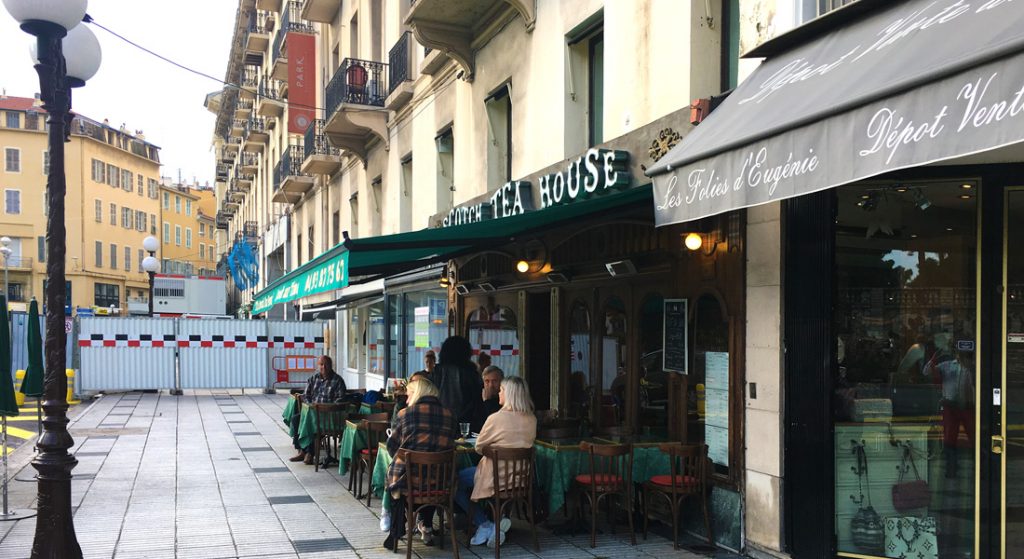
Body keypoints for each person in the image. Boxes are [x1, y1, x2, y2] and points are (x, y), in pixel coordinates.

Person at [455, 376, 537, 547]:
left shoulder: (496, 419)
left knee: (453, 482)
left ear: (509, 394)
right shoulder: (532, 419)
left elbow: (479, 447)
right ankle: (496, 524)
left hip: (494, 477)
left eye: (501, 390)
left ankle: (485, 524)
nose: (498, 392)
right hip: (520, 479)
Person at [383, 377, 457, 550]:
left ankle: (396, 531)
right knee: (428, 479)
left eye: (409, 395)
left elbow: (391, 445)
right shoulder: (451, 414)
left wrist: (406, 459)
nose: (407, 400)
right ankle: (426, 523)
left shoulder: (405, 414)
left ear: (417, 394)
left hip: (409, 482)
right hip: (441, 482)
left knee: (396, 475)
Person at [925, 344, 975, 478]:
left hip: (968, 406)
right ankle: (951, 469)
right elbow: (927, 372)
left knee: (974, 438)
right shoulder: (947, 365)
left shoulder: (973, 367)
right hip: (950, 406)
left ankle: (980, 468)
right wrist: (934, 360)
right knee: (949, 439)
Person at [289, 356, 347, 465]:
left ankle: (310, 454)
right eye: (321, 364)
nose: (323, 367)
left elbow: (341, 399)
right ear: (318, 366)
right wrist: (311, 404)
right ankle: (302, 450)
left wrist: (326, 407)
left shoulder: (338, 380)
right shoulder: (313, 378)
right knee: (296, 419)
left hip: (330, 416)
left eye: (326, 364)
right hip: (313, 412)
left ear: (331, 366)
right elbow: (306, 395)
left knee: (312, 424)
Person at [433, 335, 484, 425]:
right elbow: (477, 400)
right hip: (466, 422)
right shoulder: (471, 372)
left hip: (440, 420)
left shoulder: (437, 371)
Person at [470, 365, 504, 433]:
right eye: (487, 381)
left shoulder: (505, 399)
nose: (491, 385)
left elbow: (496, 423)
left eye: (494, 381)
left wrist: (487, 402)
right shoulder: (477, 398)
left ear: (502, 382)